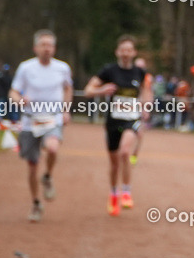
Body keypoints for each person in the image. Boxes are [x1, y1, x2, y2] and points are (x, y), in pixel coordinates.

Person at [83, 36, 152, 216]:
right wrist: (101, 90)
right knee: (114, 164)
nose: (126, 53)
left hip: (132, 119)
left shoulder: (140, 72)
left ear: (134, 53)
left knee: (124, 152)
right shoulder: (109, 71)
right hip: (113, 120)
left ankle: (126, 191)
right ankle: (114, 194)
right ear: (117, 52)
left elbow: (146, 91)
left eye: (129, 50)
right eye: (123, 50)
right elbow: (88, 90)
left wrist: (146, 107)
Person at [9, 30, 73, 222]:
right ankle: (36, 203)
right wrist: (19, 100)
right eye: (43, 45)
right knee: (32, 167)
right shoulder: (26, 68)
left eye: (50, 45)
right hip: (30, 120)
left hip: (52, 118)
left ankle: (48, 176)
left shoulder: (62, 68)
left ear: (54, 48)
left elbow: (68, 88)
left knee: (52, 148)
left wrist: (66, 109)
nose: (47, 49)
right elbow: (13, 92)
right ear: (35, 48)